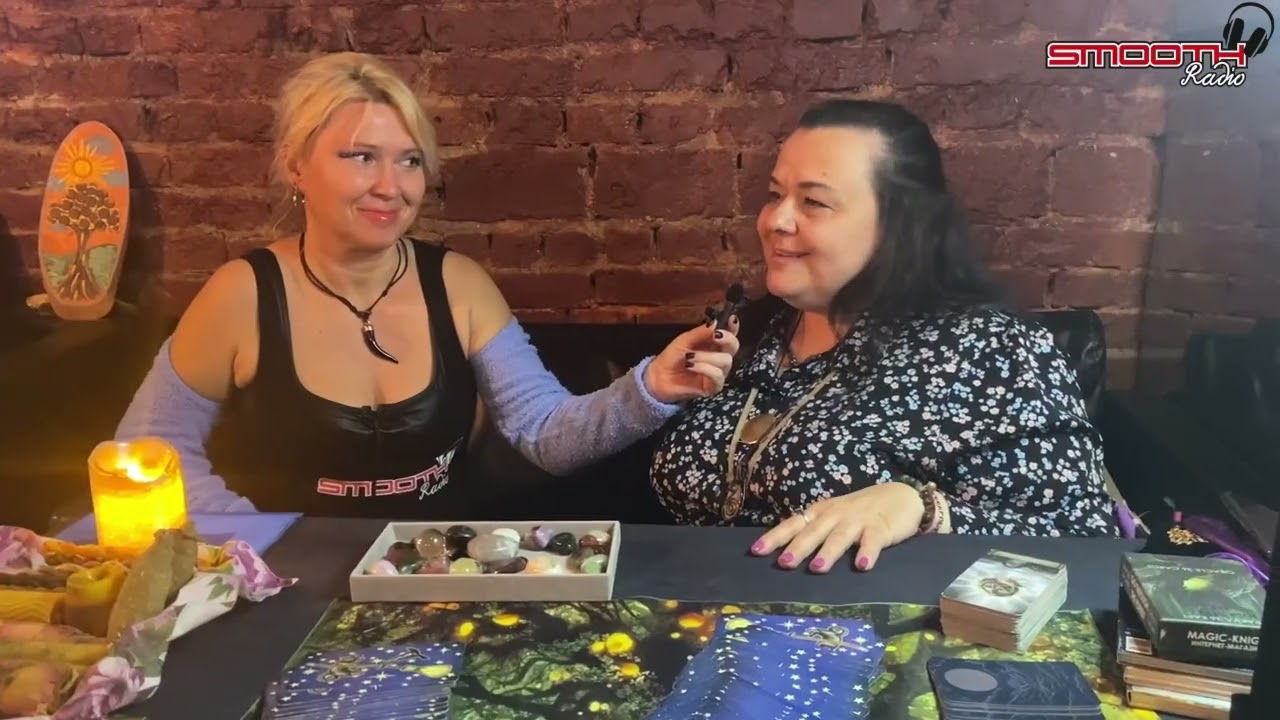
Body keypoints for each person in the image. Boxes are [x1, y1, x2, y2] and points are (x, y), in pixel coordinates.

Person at [113, 52, 738, 519]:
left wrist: (651, 388)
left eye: (409, 160)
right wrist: (257, 542)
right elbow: (149, 447)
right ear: (296, 165)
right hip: (285, 595)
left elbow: (543, 432)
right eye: (361, 157)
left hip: (434, 581)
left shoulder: (458, 285)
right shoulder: (241, 295)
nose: (392, 187)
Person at [649, 99, 1121, 572]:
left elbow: (1085, 543)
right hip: (680, 608)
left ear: (900, 225)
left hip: (860, 617)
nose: (775, 220)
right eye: (775, 195)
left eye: (814, 202)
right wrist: (649, 393)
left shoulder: (990, 352)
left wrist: (924, 509)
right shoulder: (749, 337)